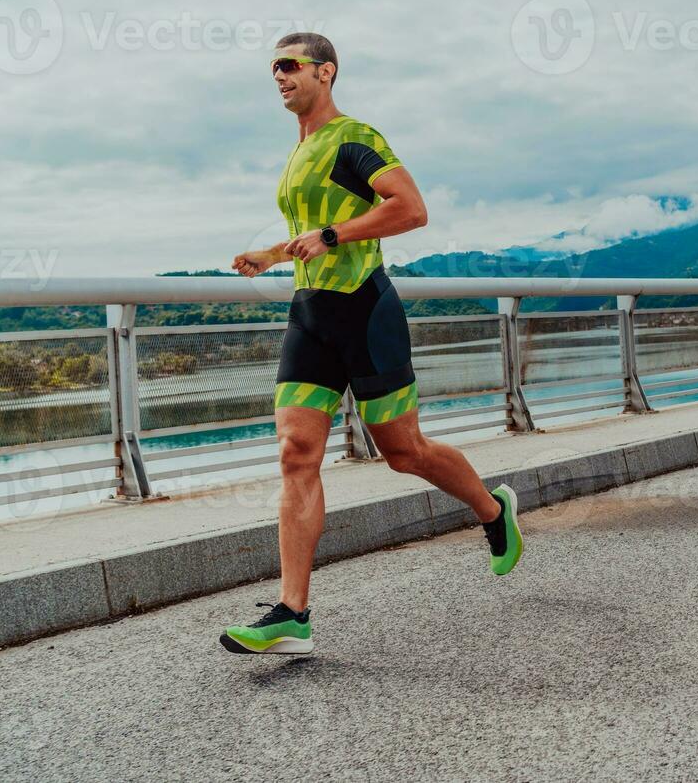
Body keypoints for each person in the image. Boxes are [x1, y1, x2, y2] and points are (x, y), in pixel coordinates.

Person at [219, 33, 522, 655]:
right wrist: (273, 253)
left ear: (324, 72)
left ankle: (494, 512)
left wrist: (330, 235)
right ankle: (292, 614)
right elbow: (318, 232)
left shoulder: (354, 138)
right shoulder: (299, 151)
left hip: (364, 309)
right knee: (295, 451)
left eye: (290, 65)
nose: (278, 76)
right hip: (310, 315)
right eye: (272, 68)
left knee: (404, 452)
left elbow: (410, 209)